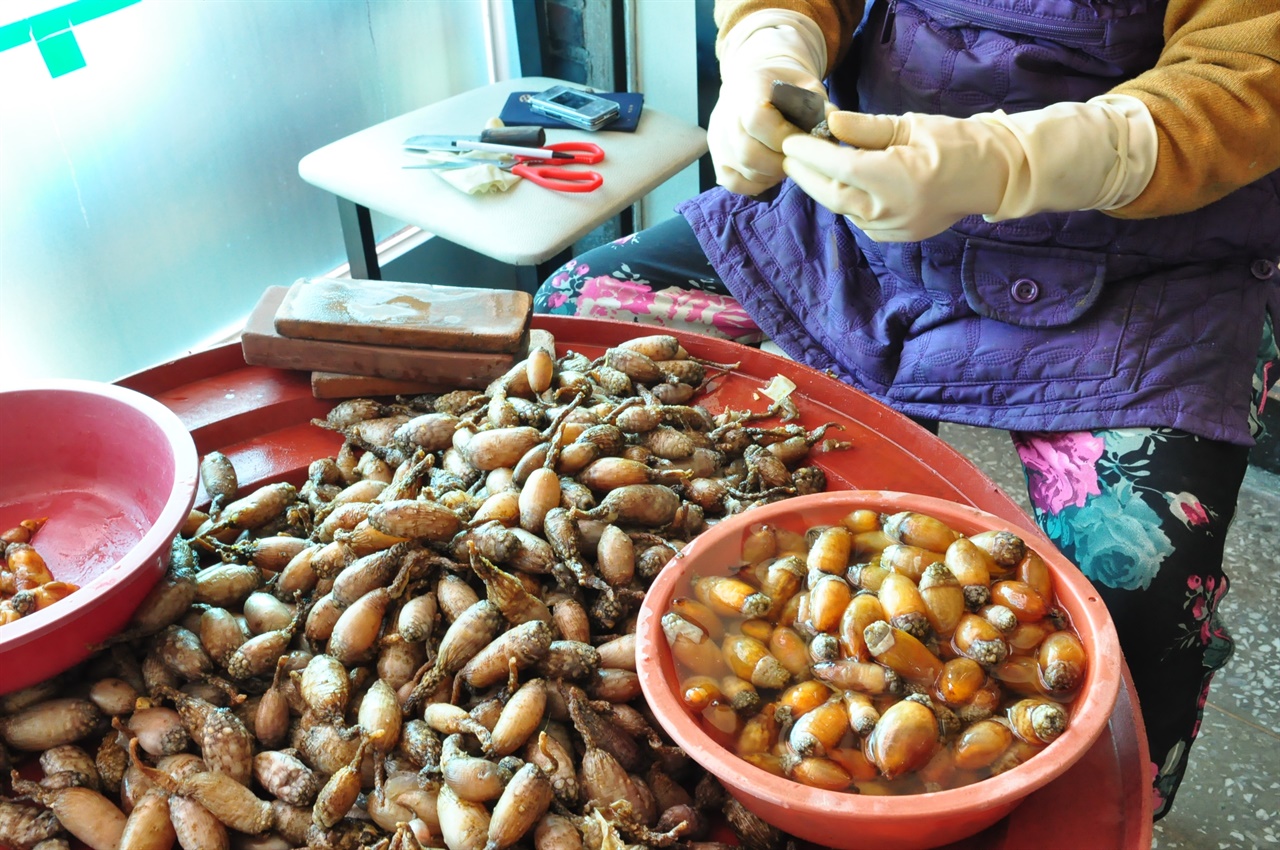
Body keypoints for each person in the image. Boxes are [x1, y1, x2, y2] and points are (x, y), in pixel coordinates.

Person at [535, 0, 1280, 818]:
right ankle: (667, 700)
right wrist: (768, 42)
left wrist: (1016, 163)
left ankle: (1075, 812)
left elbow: (1246, 68)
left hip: (1143, 259)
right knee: (586, 320)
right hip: (864, 194)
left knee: (1140, 591)